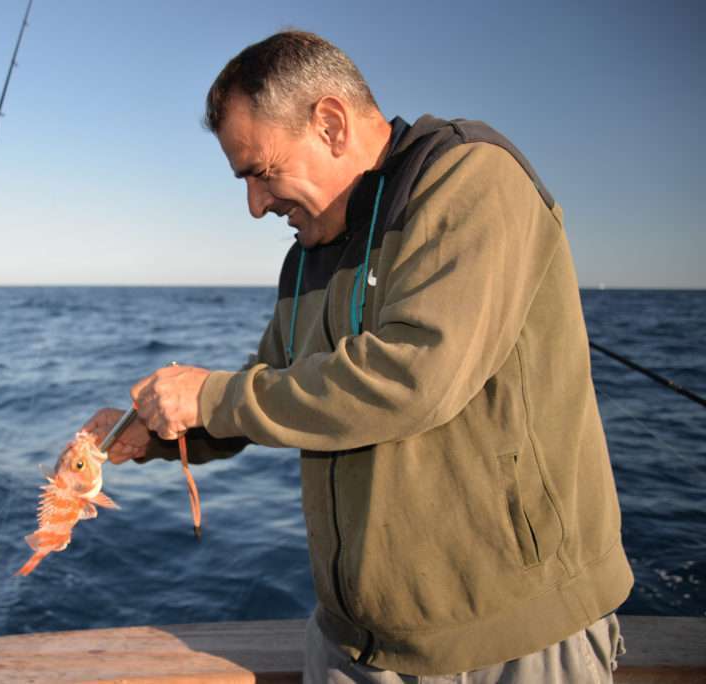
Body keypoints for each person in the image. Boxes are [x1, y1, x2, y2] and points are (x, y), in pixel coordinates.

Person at [85, 31, 632, 682]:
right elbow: (269, 388)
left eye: (260, 173)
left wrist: (208, 395)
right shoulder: (309, 254)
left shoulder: (469, 177)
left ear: (331, 124)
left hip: (513, 646)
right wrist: (159, 431)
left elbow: (413, 375)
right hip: (354, 645)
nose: (256, 206)